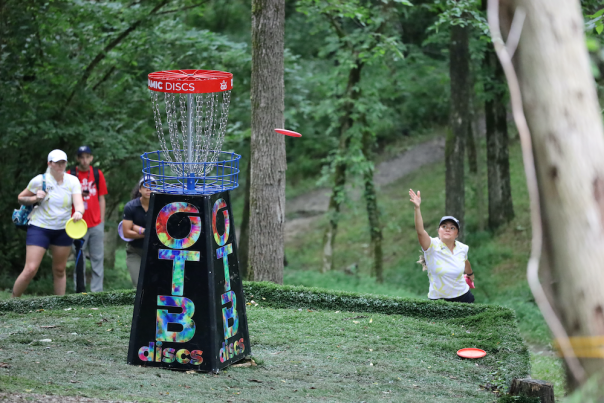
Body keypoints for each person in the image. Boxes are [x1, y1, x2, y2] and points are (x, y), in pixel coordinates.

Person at [12, 150, 85, 297]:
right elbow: (21, 198)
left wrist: (78, 212)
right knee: (31, 268)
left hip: (63, 229)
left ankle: (59, 304)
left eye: (63, 162)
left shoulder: (72, 181)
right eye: (56, 162)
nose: (60, 165)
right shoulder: (39, 180)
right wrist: (34, 199)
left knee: (59, 269)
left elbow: (79, 204)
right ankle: (13, 299)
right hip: (40, 228)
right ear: (49, 164)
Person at [409, 189, 475, 303]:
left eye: (452, 227)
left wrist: (470, 274)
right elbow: (420, 231)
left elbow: (465, 261)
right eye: (444, 226)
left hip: (464, 297)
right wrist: (417, 208)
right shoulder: (431, 246)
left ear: (457, 234)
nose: (448, 229)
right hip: (439, 301)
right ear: (438, 231)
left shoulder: (462, 248)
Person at [70, 145, 108, 292]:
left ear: (91, 158)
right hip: (77, 224)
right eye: (82, 157)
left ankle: (97, 292)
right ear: (78, 159)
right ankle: (79, 291)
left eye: (87, 157)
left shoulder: (98, 174)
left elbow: (102, 198)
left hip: (96, 223)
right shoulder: (71, 174)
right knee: (78, 259)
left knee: (97, 258)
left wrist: (102, 220)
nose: (85, 160)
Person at [122, 177, 154, 287]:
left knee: (155, 285)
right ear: (139, 189)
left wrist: (136, 228)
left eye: (152, 186)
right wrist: (146, 232)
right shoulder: (130, 207)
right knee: (139, 285)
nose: (149, 189)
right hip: (135, 252)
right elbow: (126, 233)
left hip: (155, 253)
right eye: (145, 186)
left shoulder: (160, 207)